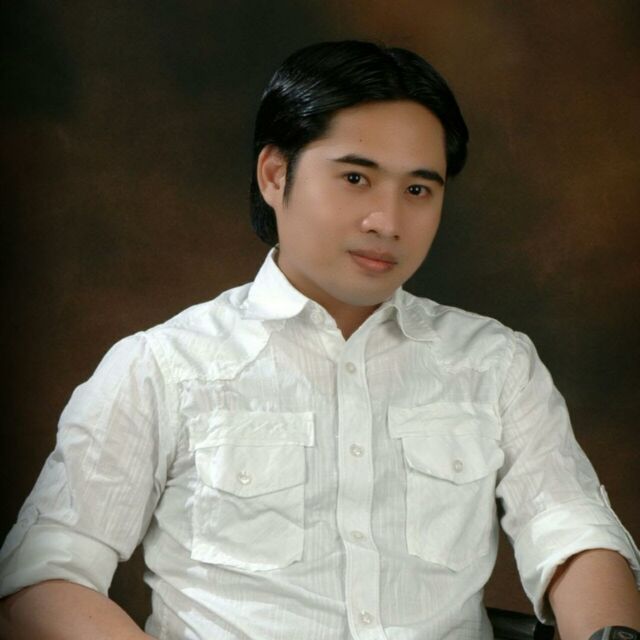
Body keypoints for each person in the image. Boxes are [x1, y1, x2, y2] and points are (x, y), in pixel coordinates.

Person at [0, 40, 638, 640]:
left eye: (418, 189)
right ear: (275, 174)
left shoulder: (494, 364)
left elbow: (574, 534)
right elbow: (41, 579)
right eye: (356, 178)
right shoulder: (164, 366)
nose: (388, 221)